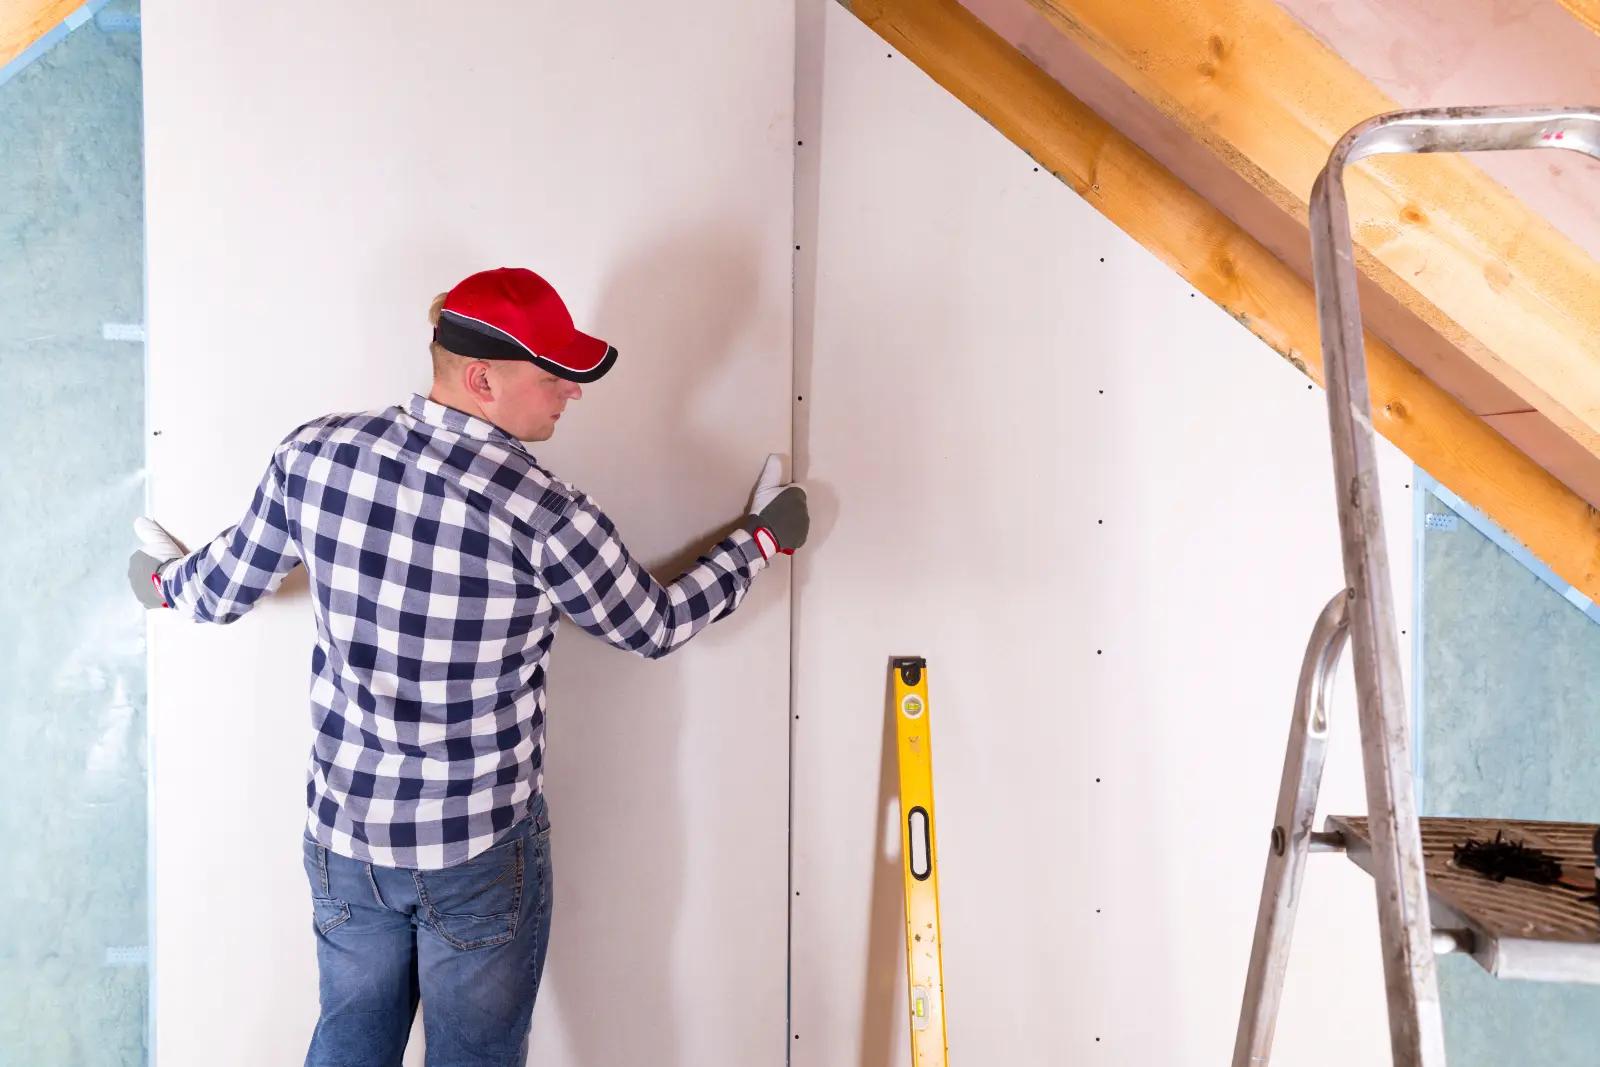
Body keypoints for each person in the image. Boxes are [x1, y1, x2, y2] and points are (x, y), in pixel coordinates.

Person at [126, 266, 809, 1066]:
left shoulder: (314, 456)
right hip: (477, 854)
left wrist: (165, 585)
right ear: (483, 378)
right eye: (555, 375)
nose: (572, 393)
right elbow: (652, 625)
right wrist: (763, 541)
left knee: (348, 1045)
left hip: (348, 842)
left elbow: (227, 582)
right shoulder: (547, 512)